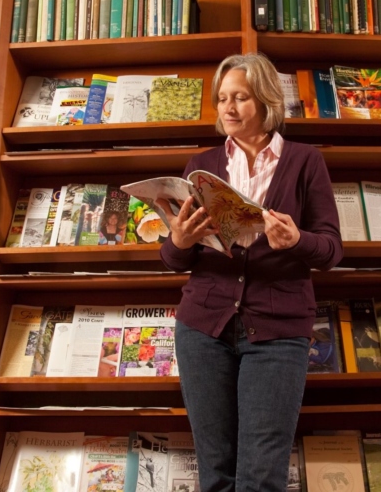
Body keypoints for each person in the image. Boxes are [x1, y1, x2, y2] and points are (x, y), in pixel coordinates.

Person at [157, 53, 343, 492]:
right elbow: (176, 259)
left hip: (278, 331)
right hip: (203, 328)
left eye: (240, 96)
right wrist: (179, 242)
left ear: (265, 100)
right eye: (222, 98)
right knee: (216, 471)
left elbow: (332, 250)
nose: (228, 107)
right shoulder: (201, 166)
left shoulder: (304, 161)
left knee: (261, 475)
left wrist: (297, 241)